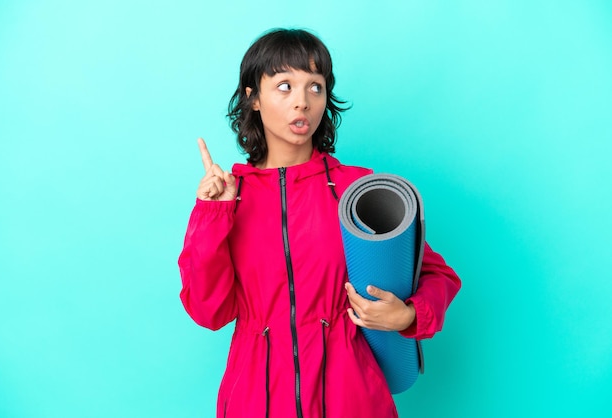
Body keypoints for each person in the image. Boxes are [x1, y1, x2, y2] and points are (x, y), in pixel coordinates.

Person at [178, 28, 461, 418]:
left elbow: (437, 275)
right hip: (255, 401)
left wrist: (409, 315)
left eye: (315, 87)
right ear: (253, 97)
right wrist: (212, 214)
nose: (302, 102)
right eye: (284, 86)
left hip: (352, 398)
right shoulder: (229, 196)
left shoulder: (354, 190)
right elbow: (209, 312)